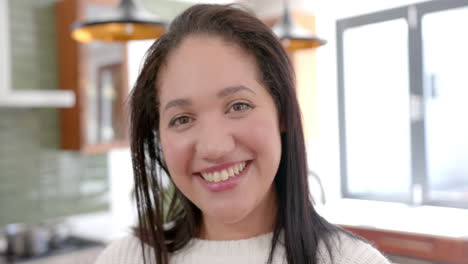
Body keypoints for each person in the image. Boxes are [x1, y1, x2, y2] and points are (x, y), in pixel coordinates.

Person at [95, 4, 390, 264]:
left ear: (282, 114)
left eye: (238, 106)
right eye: (182, 118)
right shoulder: (125, 259)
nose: (215, 147)